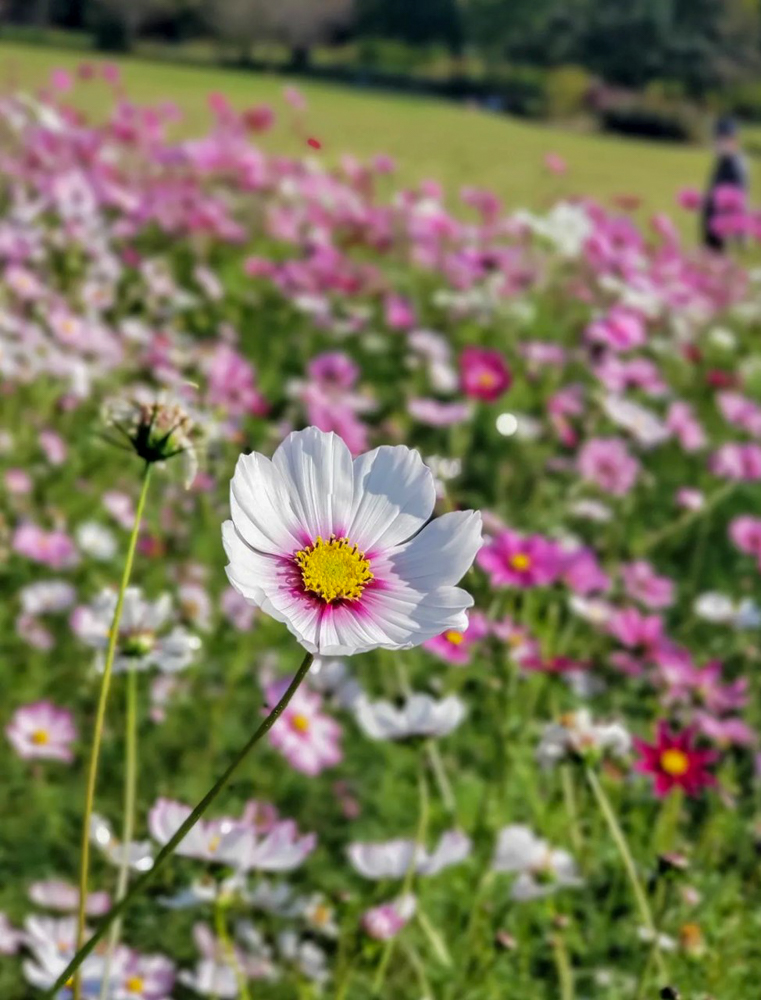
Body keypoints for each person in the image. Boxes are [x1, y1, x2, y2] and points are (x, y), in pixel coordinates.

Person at [701, 115, 749, 252]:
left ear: (735, 141)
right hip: (712, 223)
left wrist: (741, 233)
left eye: (724, 139)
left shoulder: (735, 166)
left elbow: (740, 200)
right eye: (718, 139)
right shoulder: (722, 161)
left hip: (724, 227)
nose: (719, 144)